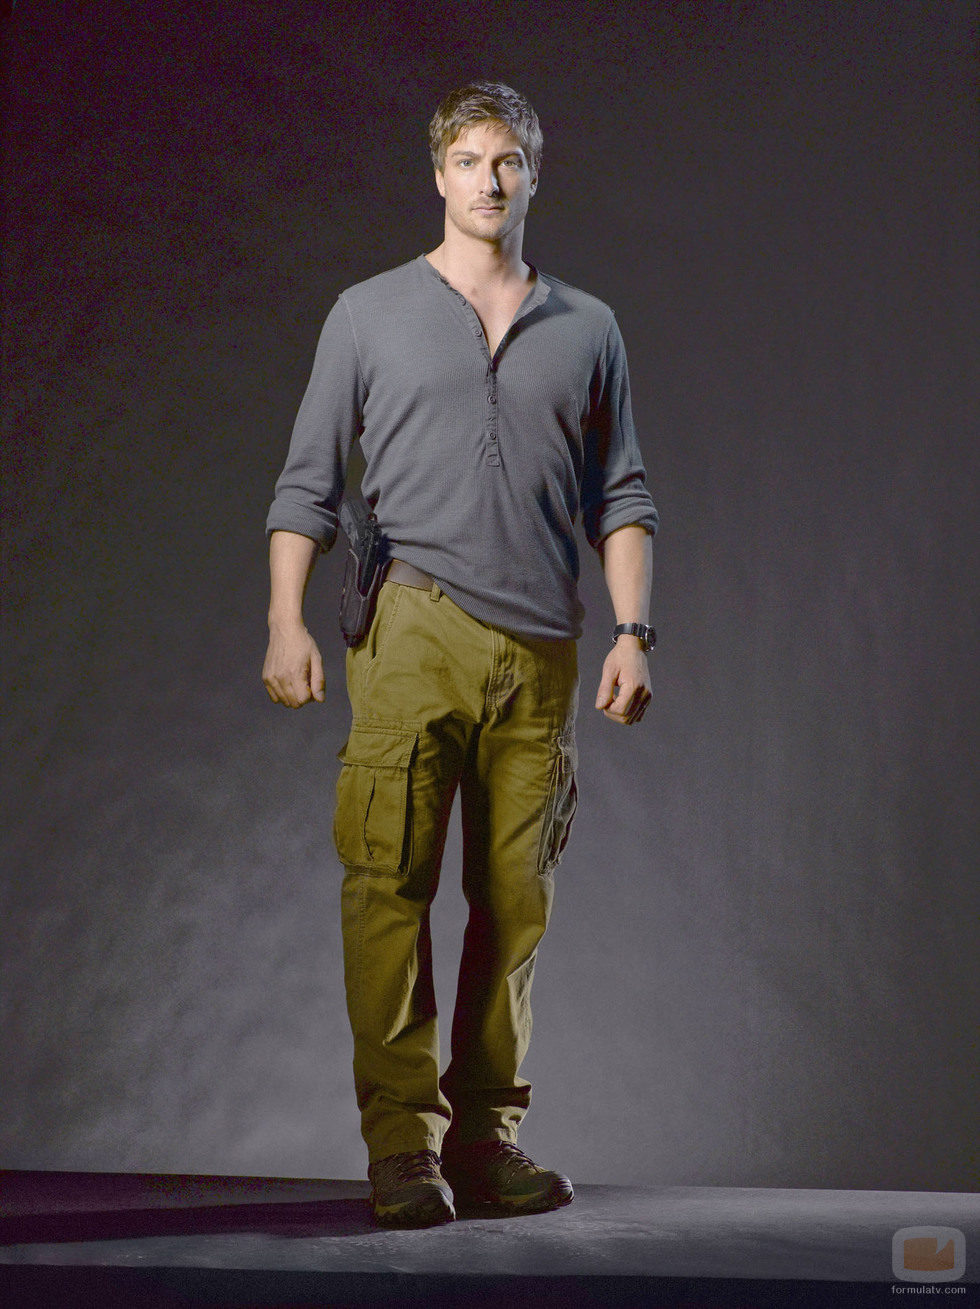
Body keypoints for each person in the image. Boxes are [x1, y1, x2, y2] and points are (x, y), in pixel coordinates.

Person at [262, 80, 659, 1228]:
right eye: (470, 159)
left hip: (541, 649)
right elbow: (307, 484)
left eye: (508, 161)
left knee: (515, 901)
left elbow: (621, 492)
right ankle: (403, 1146)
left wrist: (631, 633)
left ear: (533, 177)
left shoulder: (587, 327)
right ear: (436, 175)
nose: (489, 179)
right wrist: (285, 618)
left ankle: (486, 1139)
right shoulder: (366, 314)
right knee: (387, 884)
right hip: (411, 629)